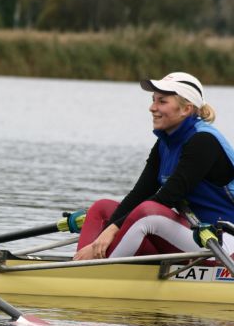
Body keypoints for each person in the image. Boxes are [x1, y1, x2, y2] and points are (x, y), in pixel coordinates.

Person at [74, 72, 234, 261]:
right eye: (153, 100)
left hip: (223, 241)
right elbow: (139, 194)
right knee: (102, 209)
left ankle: (91, 269)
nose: (152, 108)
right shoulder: (164, 144)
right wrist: (107, 230)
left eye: (162, 101)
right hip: (196, 234)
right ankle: (81, 264)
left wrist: (113, 230)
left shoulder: (203, 141)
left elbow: (167, 197)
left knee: (147, 213)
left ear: (186, 109)